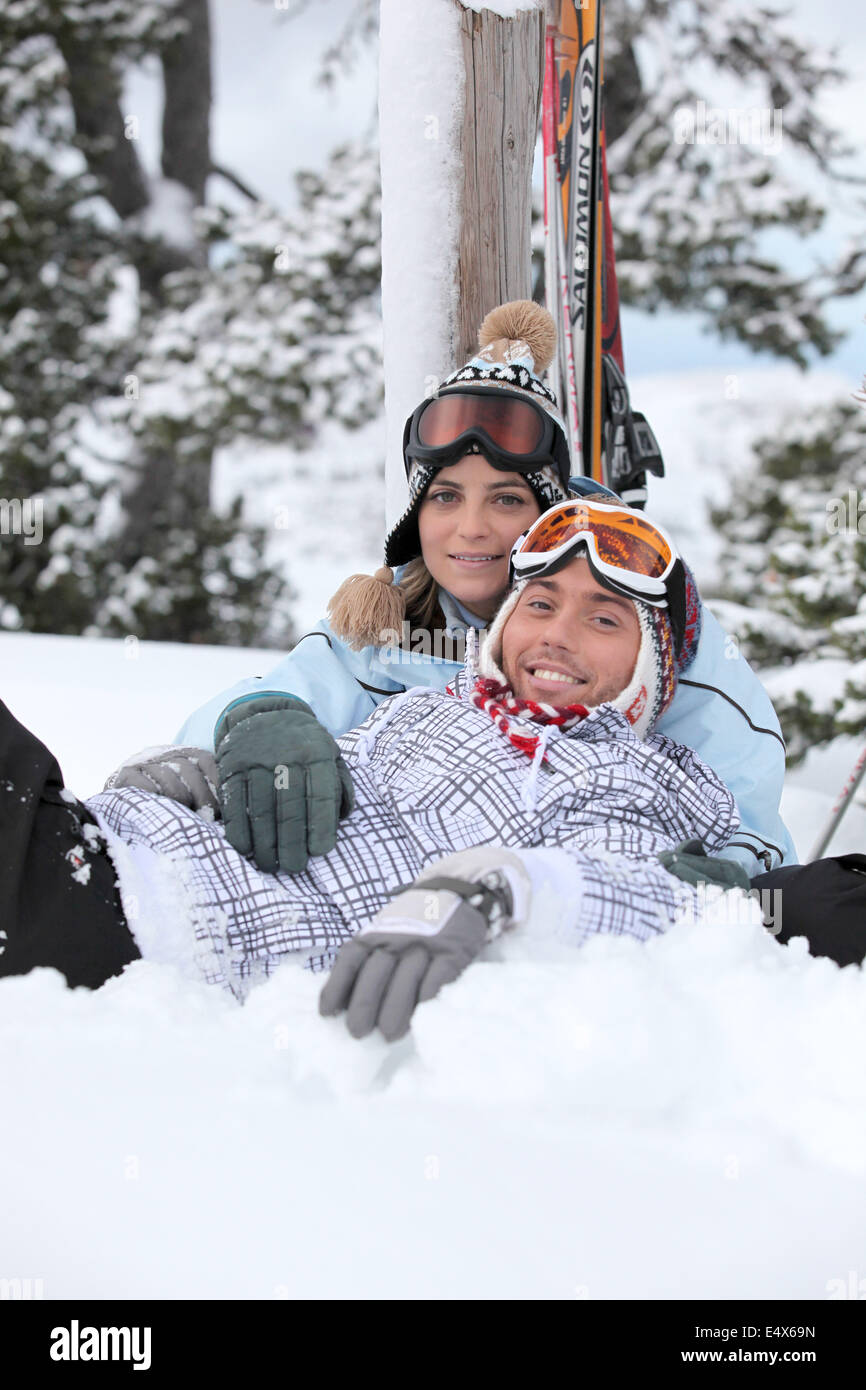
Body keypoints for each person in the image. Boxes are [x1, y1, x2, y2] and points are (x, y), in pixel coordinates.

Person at [6, 499, 855, 1045]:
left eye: (605, 618)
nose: (557, 634)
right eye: (540, 605)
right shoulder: (426, 706)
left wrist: (506, 884)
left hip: (154, 932)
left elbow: (640, 902)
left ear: (654, 672)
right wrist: (183, 765)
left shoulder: (637, 780)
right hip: (97, 840)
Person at [127, 301, 793, 881]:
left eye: (506, 498)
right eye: (445, 496)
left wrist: (728, 872)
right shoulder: (393, 627)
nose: (470, 529)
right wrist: (259, 720)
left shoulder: (639, 607)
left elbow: (746, 792)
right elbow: (244, 716)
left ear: (547, 514)